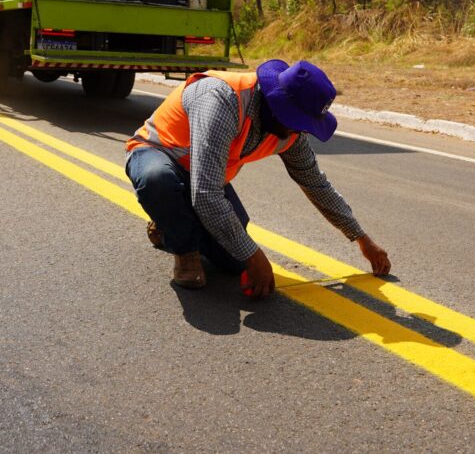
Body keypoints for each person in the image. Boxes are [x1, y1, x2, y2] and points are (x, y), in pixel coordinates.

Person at [125, 59, 391, 298]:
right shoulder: (222, 99)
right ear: (278, 105)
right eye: (299, 122)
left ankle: (172, 219)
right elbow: (206, 194)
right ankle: (183, 249)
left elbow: (315, 183)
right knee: (157, 179)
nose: (301, 131)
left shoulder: (289, 132)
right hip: (159, 154)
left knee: (232, 259)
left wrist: (362, 238)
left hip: (205, 175)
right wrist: (254, 255)